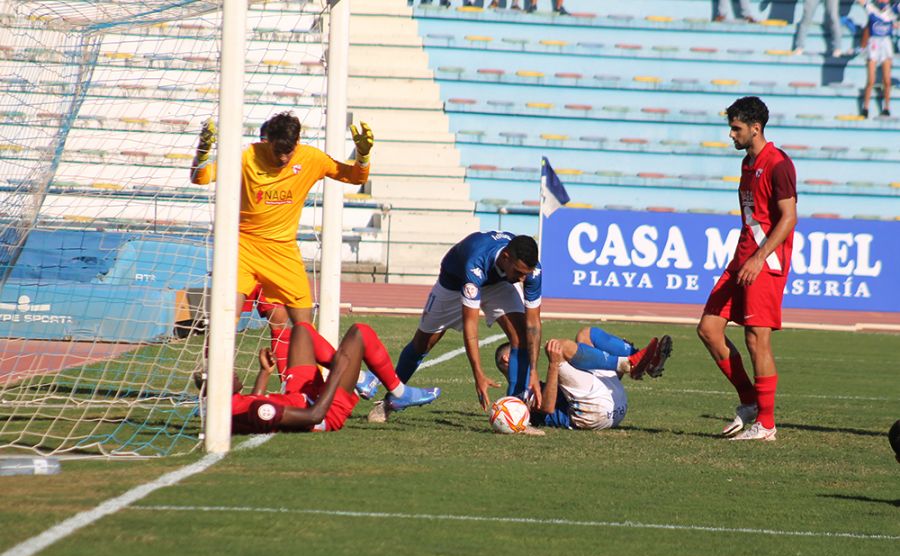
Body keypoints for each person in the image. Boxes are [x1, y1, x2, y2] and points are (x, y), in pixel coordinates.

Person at [189, 111, 373, 327]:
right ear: (269, 142)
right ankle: (215, 361)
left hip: (282, 252)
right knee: (224, 320)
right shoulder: (247, 157)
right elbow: (199, 177)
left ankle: (310, 362)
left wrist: (363, 156)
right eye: (278, 151)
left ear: (298, 142)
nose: (284, 158)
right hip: (243, 248)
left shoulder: (312, 158)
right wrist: (203, 152)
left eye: (289, 151)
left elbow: (355, 177)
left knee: (303, 325)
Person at [697, 96, 798, 442]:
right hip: (742, 257)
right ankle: (751, 402)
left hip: (764, 262)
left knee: (757, 341)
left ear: (756, 128)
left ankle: (766, 425)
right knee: (709, 328)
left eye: (736, 128)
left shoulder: (779, 164)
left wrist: (758, 258)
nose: (731, 134)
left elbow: (788, 218)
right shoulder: (747, 163)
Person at [369, 232, 543, 423]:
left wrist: (533, 371)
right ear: (505, 258)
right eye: (519, 273)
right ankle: (389, 402)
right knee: (422, 345)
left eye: (525, 274)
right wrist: (478, 373)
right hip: (453, 282)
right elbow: (471, 325)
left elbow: (533, 324)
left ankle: (517, 416)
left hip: (498, 284)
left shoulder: (531, 272)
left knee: (522, 337)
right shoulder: (476, 262)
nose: (522, 280)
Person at [197, 322, 441, 434]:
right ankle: (399, 393)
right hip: (325, 410)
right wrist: (335, 376)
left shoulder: (230, 405)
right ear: (220, 386)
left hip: (300, 397)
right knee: (360, 333)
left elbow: (255, 403)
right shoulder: (256, 411)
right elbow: (315, 417)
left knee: (301, 331)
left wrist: (265, 373)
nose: (235, 370)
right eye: (228, 372)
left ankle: (362, 378)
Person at [495, 327, 672, 430]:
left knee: (586, 334)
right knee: (559, 347)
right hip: (589, 414)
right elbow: (547, 408)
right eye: (523, 353)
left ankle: (643, 361)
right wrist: (553, 365)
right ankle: (630, 363)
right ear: (507, 359)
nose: (531, 354)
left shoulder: (527, 379)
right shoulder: (517, 392)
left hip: (613, 406)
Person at [858, 0, 898, 117]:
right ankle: (865, 108)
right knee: (871, 80)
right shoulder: (871, 8)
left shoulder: (892, 11)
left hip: (886, 44)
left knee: (887, 80)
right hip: (874, 44)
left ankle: (886, 107)